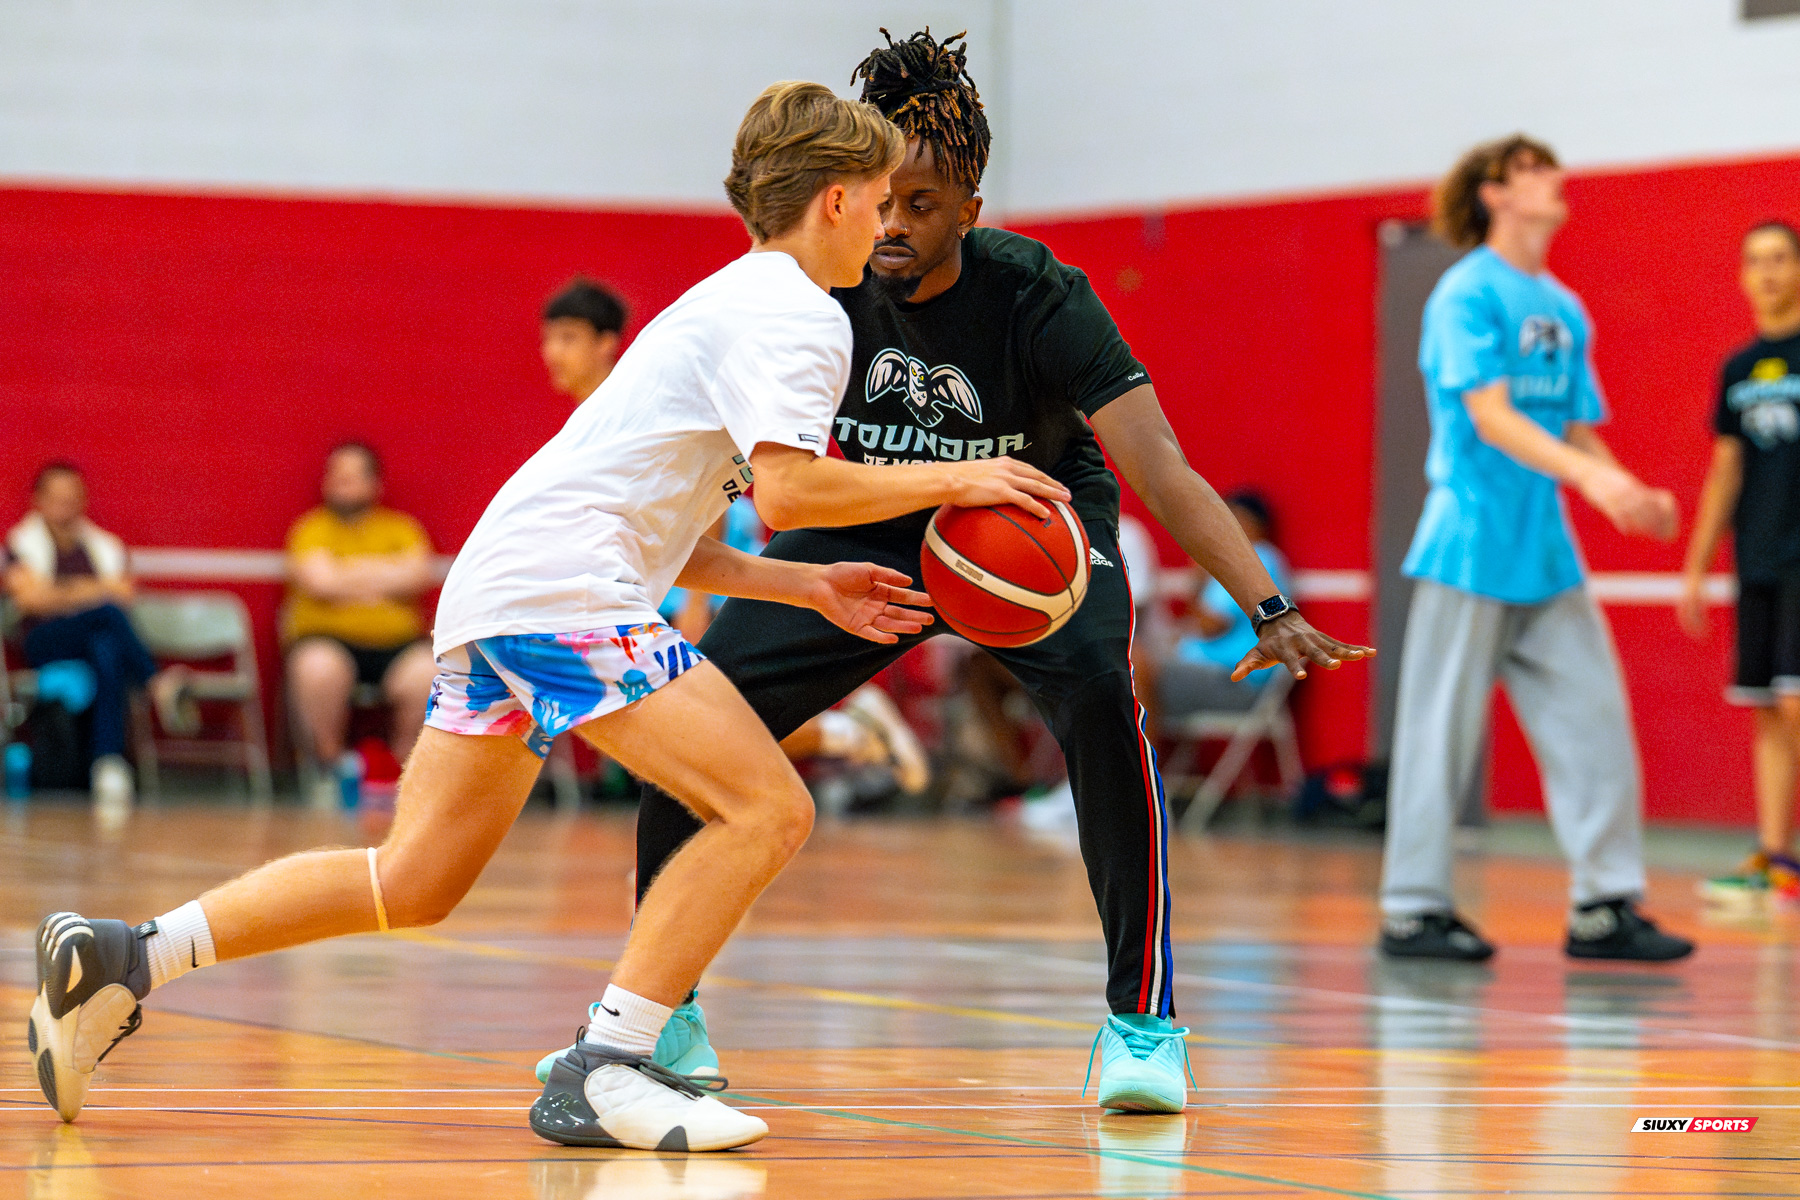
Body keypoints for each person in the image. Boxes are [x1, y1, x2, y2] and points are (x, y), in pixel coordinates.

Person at [29, 80, 1068, 1152]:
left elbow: (673, 527)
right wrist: (963, 477)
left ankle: (121, 958)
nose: (892, 222)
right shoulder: (799, 313)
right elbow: (792, 494)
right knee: (768, 809)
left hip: (508, 586)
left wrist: (805, 585)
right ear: (840, 200)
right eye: (884, 198)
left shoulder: (733, 298)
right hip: (564, 591)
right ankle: (611, 1062)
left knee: (413, 878)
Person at [603, 30, 1372, 1117]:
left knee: (1107, 700)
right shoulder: (809, 290)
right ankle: (660, 1012)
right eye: (884, 203)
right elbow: (751, 474)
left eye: (925, 205)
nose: (896, 228)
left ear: (970, 205)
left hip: (1029, 522)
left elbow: (1159, 462)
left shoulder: (1037, 296)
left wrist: (1268, 601)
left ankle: (1142, 1027)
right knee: (700, 711)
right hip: (869, 515)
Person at [1378, 134, 1693, 964]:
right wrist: (1593, 484)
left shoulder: (1563, 304)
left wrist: (1628, 485)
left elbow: (1574, 425)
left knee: (1594, 723)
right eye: (1534, 169)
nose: (1556, 178)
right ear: (1495, 192)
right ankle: (1413, 909)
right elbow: (1491, 415)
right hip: (1469, 541)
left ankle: (1604, 906)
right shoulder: (1464, 294)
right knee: (1438, 733)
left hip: (1543, 549)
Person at [1679, 221, 1800, 902]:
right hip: (1756, 555)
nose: (1768, 272)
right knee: (1765, 705)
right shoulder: (1739, 368)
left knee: (1795, 699)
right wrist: (1696, 567)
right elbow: (1726, 469)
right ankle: (1776, 857)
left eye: (1781, 258)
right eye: (1755, 261)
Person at [4, 463, 193, 806]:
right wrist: (95, 590)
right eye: (58, 498)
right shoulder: (21, 543)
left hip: (91, 645)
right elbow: (31, 599)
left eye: (73, 498)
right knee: (106, 616)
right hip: (44, 641)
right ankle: (155, 684)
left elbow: (126, 594)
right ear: (39, 501)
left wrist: (60, 592)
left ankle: (107, 765)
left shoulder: (103, 546)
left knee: (105, 646)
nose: (66, 506)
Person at [283, 443, 438, 800]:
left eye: (350, 478)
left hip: (397, 645)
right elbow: (320, 582)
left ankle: (399, 776)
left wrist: (344, 575)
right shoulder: (311, 529)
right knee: (318, 668)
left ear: (374, 485)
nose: (339, 484)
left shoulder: (402, 529)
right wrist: (382, 577)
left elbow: (416, 575)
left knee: (428, 674)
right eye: (334, 477)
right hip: (326, 640)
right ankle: (332, 771)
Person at [1156, 491, 1291, 725]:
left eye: (1229, 518)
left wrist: (1198, 580)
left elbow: (1212, 624)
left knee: (1137, 677)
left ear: (1249, 523)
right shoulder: (1265, 560)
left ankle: (1139, 760)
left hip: (1235, 683)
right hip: (1229, 678)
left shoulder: (1253, 559)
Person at [541, 277, 628, 405]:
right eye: (548, 338)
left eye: (568, 337)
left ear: (606, 343)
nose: (553, 350)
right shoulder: (585, 415)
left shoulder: (633, 412)